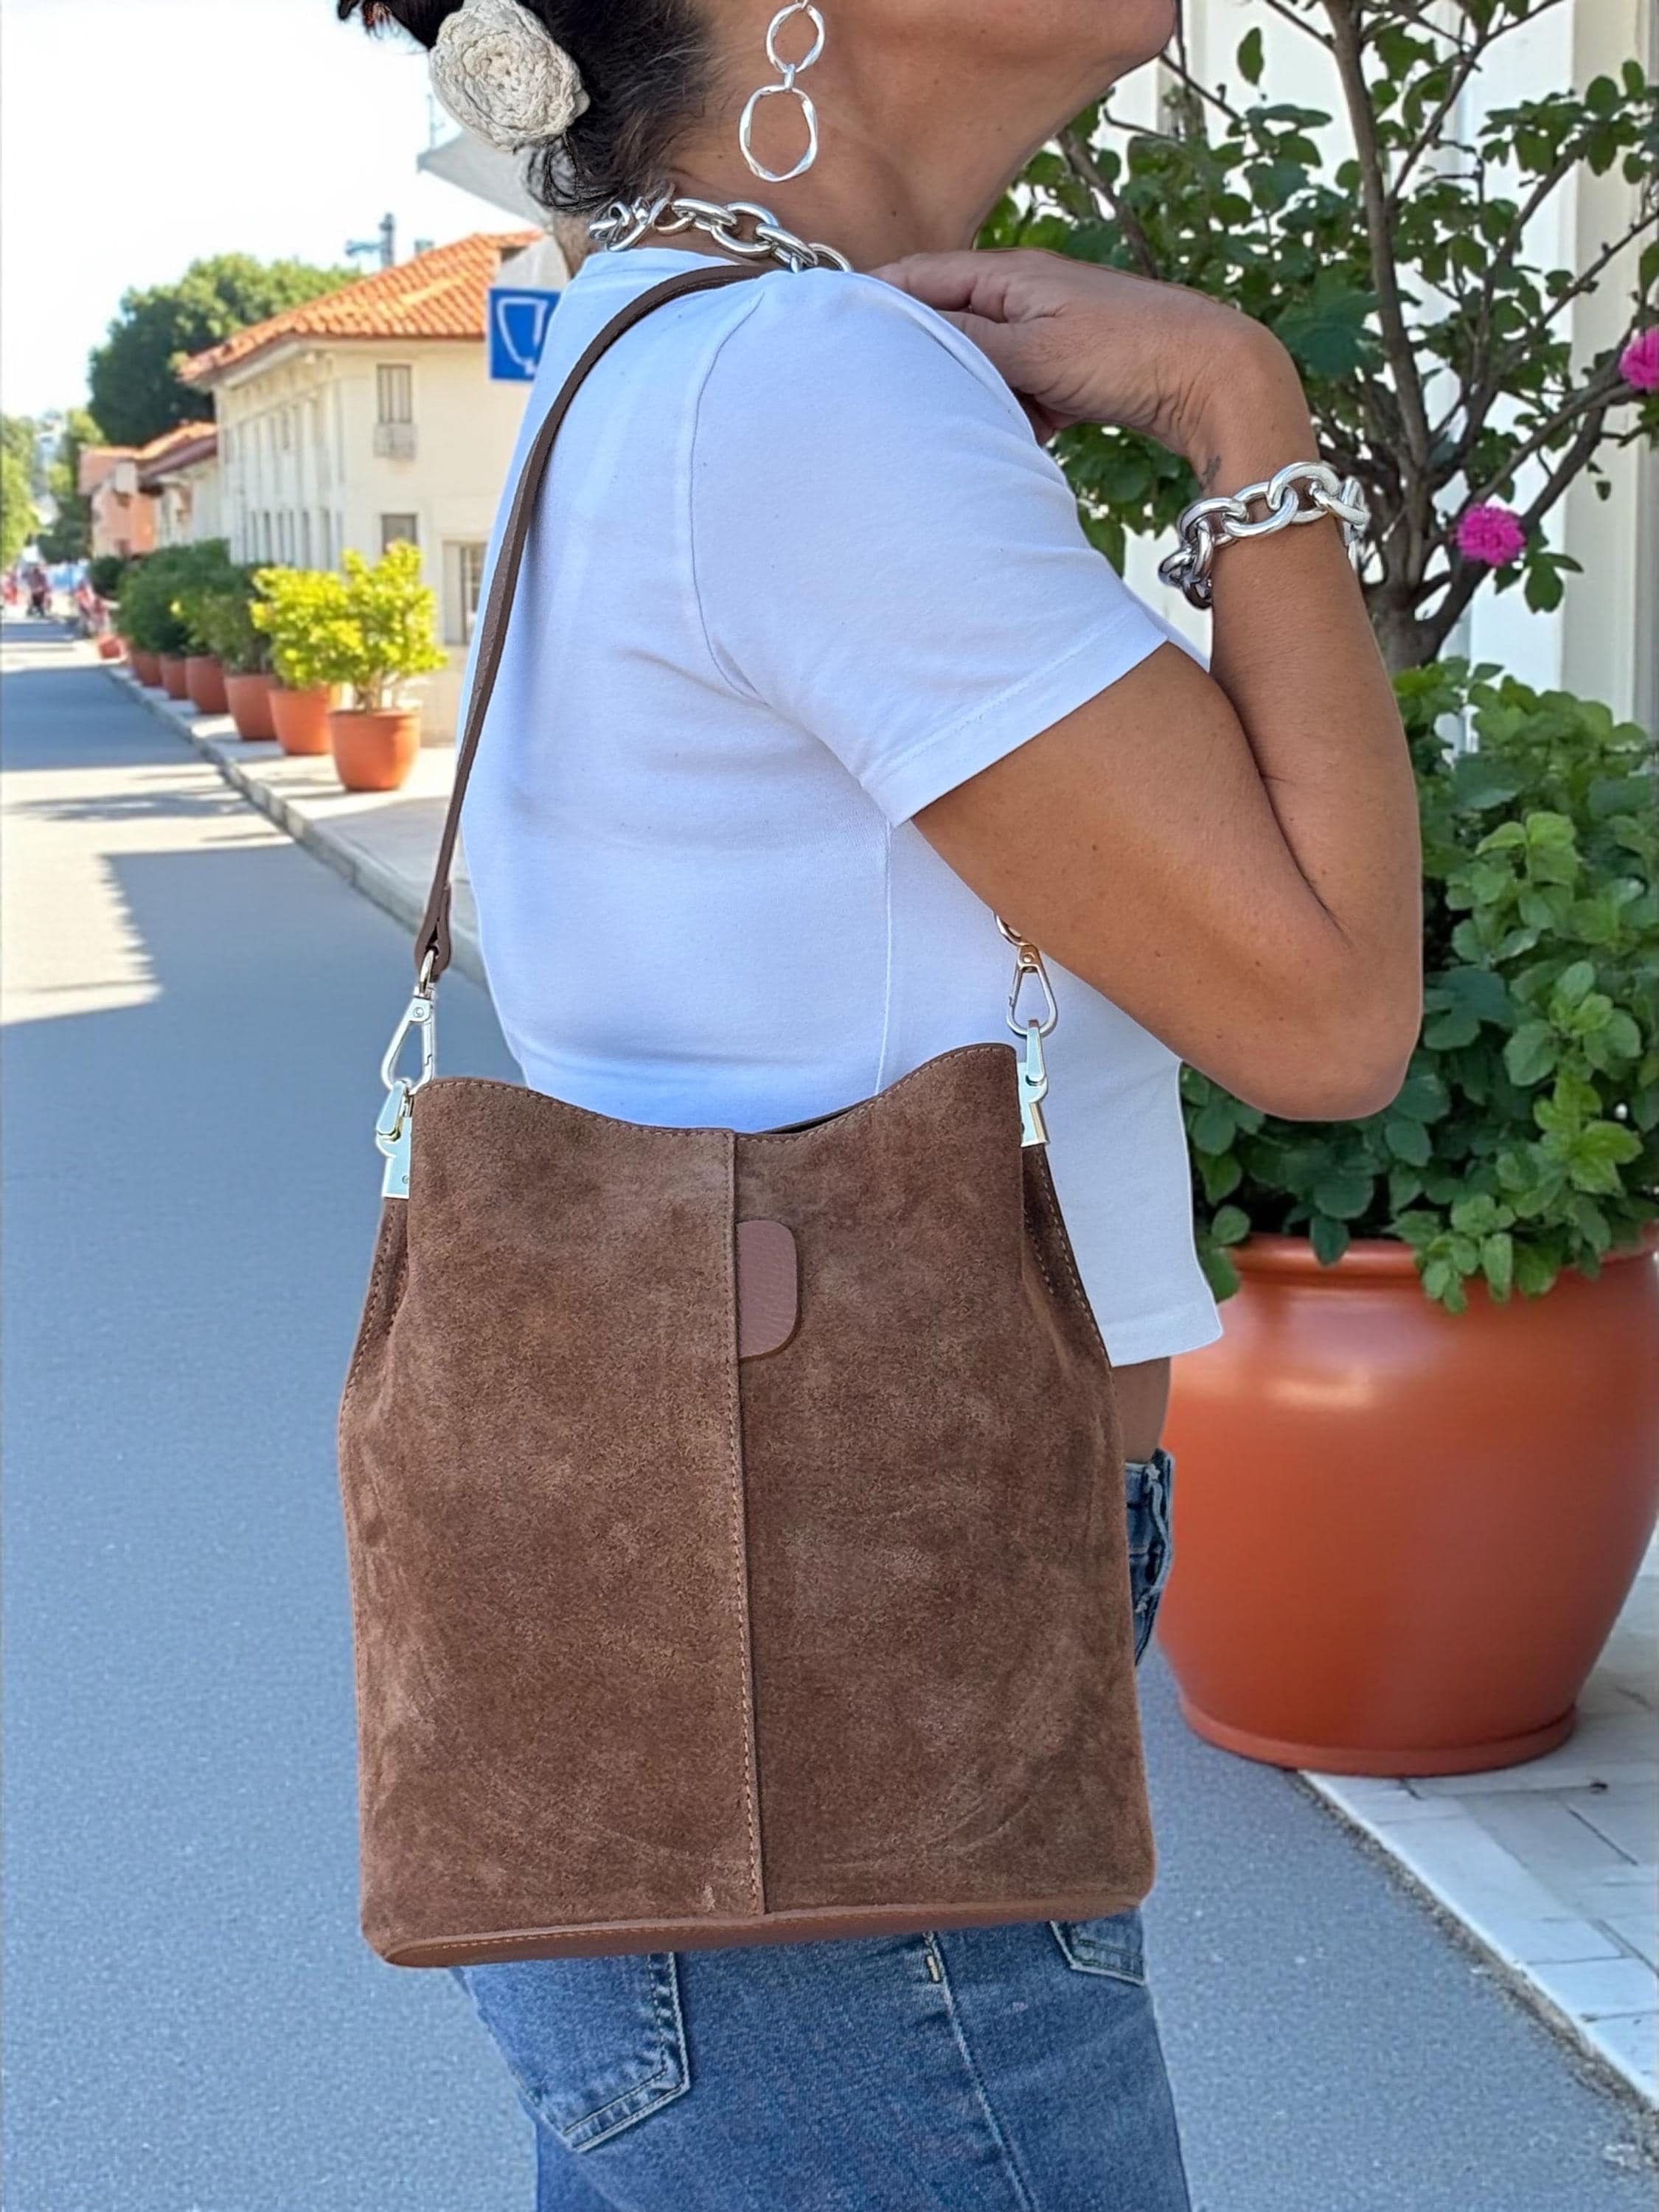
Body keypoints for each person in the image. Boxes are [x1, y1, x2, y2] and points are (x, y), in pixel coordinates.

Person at [341, 2, 1422, 2206]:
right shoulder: (803, 385)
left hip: (747, 1677)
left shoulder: (660, 343)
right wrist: (1242, 404)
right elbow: (1323, 1018)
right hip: (840, 1691)